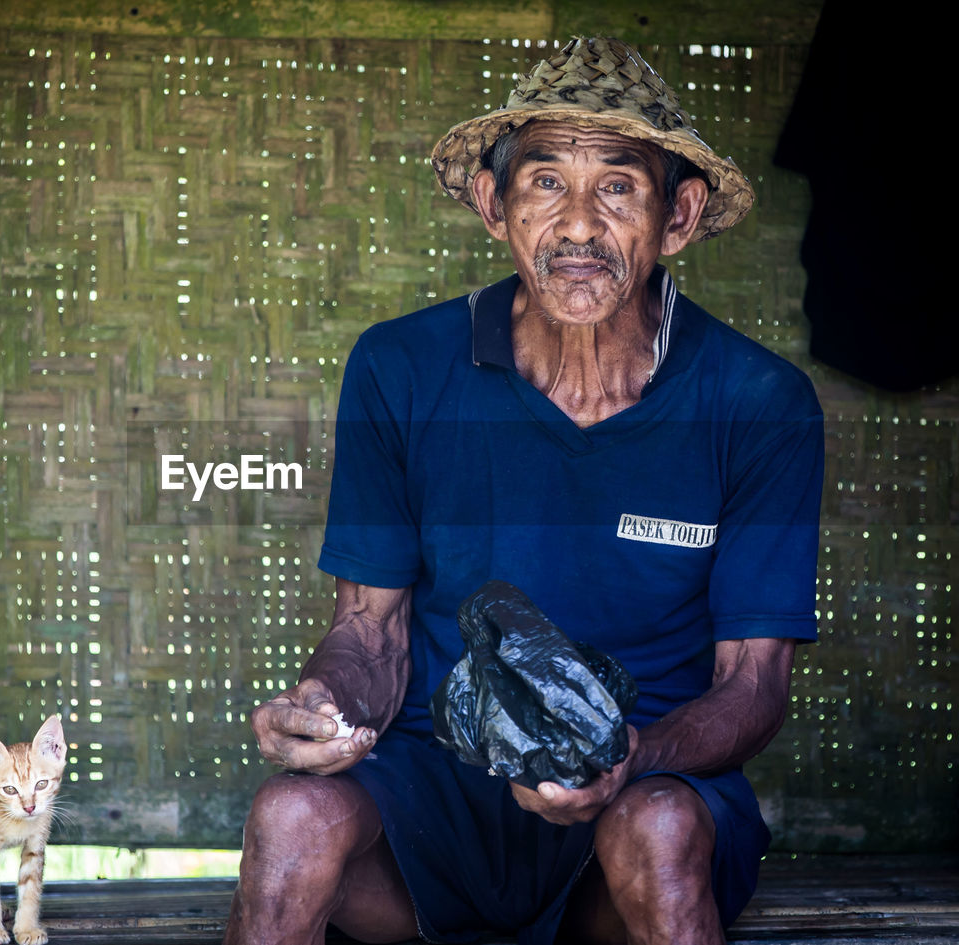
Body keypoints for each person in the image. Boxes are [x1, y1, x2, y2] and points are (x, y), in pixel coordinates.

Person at [224, 36, 823, 945]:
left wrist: (629, 756)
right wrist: (322, 707)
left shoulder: (757, 404)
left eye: (617, 187)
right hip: (436, 785)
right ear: (492, 203)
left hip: (636, 805)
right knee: (290, 816)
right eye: (546, 183)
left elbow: (755, 685)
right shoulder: (402, 369)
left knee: (659, 830)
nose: (579, 225)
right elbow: (370, 630)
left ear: (679, 215)